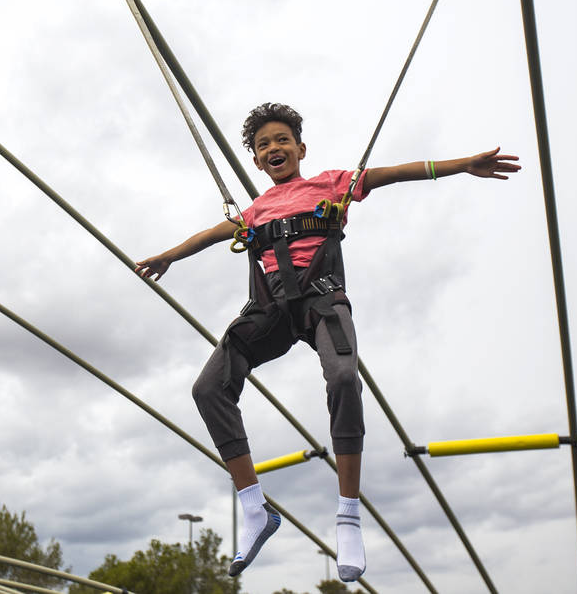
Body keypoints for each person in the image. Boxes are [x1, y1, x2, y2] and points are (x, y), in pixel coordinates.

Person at [135, 102, 519, 581]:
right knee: (208, 387)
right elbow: (211, 234)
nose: (273, 148)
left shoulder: (332, 184)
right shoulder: (254, 211)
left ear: (300, 148)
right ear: (257, 161)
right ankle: (254, 508)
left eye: (281, 140)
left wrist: (461, 165)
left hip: (321, 302)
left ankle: (348, 515)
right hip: (270, 311)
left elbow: (393, 173)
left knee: (342, 379)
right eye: (263, 146)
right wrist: (169, 256)